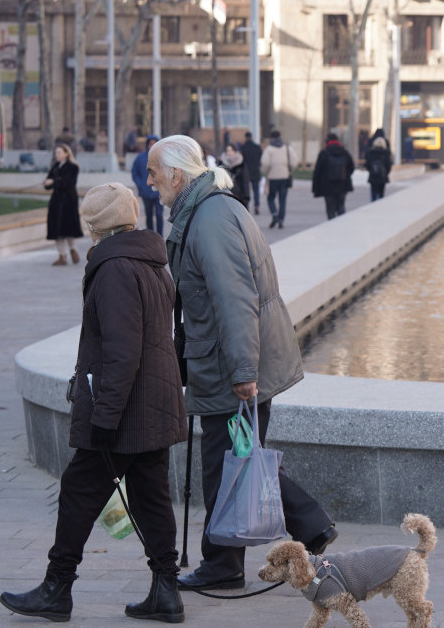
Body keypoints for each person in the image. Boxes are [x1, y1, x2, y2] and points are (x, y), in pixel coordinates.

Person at [144, 135, 336, 593]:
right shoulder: (207, 209)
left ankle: (241, 556)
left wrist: (244, 372)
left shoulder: (210, 219)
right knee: (238, 458)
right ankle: (244, 554)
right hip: (226, 359)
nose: (149, 182)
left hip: (231, 364)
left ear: (176, 175)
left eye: (153, 173)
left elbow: (235, 301)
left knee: (228, 462)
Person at [0, 183, 187, 624]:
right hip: (153, 403)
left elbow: (122, 351)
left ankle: (56, 588)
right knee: (151, 497)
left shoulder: (115, 268)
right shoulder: (150, 261)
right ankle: (166, 590)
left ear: (95, 226)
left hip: (125, 412)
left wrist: (104, 417)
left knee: (79, 491)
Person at [44, 144, 83, 265]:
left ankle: (73, 249)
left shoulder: (73, 167)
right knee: (57, 229)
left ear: (66, 153)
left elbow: (69, 182)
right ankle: (62, 255)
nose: (57, 155)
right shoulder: (55, 166)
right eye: (56, 153)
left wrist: (54, 181)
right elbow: (49, 181)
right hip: (56, 201)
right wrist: (47, 183)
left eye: (59, 153)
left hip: (68, 201)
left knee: (68, 227)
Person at [260, 130, 298, 229]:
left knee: (270, 198)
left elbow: (265, 163)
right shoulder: (287, 148)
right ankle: (281, 220)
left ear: (271, 138)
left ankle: (274, 214)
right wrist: (289, 171)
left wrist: (266, 173)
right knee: (282, 199)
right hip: (284, 177)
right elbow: (294, 162)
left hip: (273, 178)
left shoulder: (269, 149)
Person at [312, 131, 355, 217]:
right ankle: (341, 223)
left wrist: (315, 188)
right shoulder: (344, 152)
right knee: (341, 206)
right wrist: (345, 175)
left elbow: (318, 171)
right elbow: (351, 167)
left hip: (327, 185)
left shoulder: (324, 153)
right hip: (342, 184)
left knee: (330, 208)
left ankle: (332, 223)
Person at [130, 135, 164, 236]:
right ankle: (151, 236)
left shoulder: (162, 158)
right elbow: (134, 173)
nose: (152, 145)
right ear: (147, 145)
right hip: (146, 192)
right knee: (149, 215)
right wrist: (141, 185)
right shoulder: (140, 158)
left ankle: (160, 236)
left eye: (154, 143)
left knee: (159, 214)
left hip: (159, 192)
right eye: (150, 144)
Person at [220, 142, 251, 209]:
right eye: (228, 151)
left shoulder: (241, 164)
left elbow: (245, 181)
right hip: (226, 197)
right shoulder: (222, 165)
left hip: (239, 196)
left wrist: (246, 197)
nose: (229, 152)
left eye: (231, 150)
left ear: (235, 151)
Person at [364, 131, 392, 202]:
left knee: (373, 195)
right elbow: (388, 164)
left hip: (373, 176)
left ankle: (373, 205)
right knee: (381, 194)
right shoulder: (386, 153)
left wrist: (371, 170)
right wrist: (386, 172)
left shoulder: (371, 152)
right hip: (382, 176)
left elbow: (367, 164)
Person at [240, 132, 263, 215]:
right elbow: (260, 158)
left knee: (246, 190)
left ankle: (247, 206)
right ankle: (256, 205)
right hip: (256, 171)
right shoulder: (257, 147)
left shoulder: (243, 148)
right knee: (256, 190)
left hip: (246, 172)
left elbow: (241, 161)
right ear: (251, 137)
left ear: (245, 137)